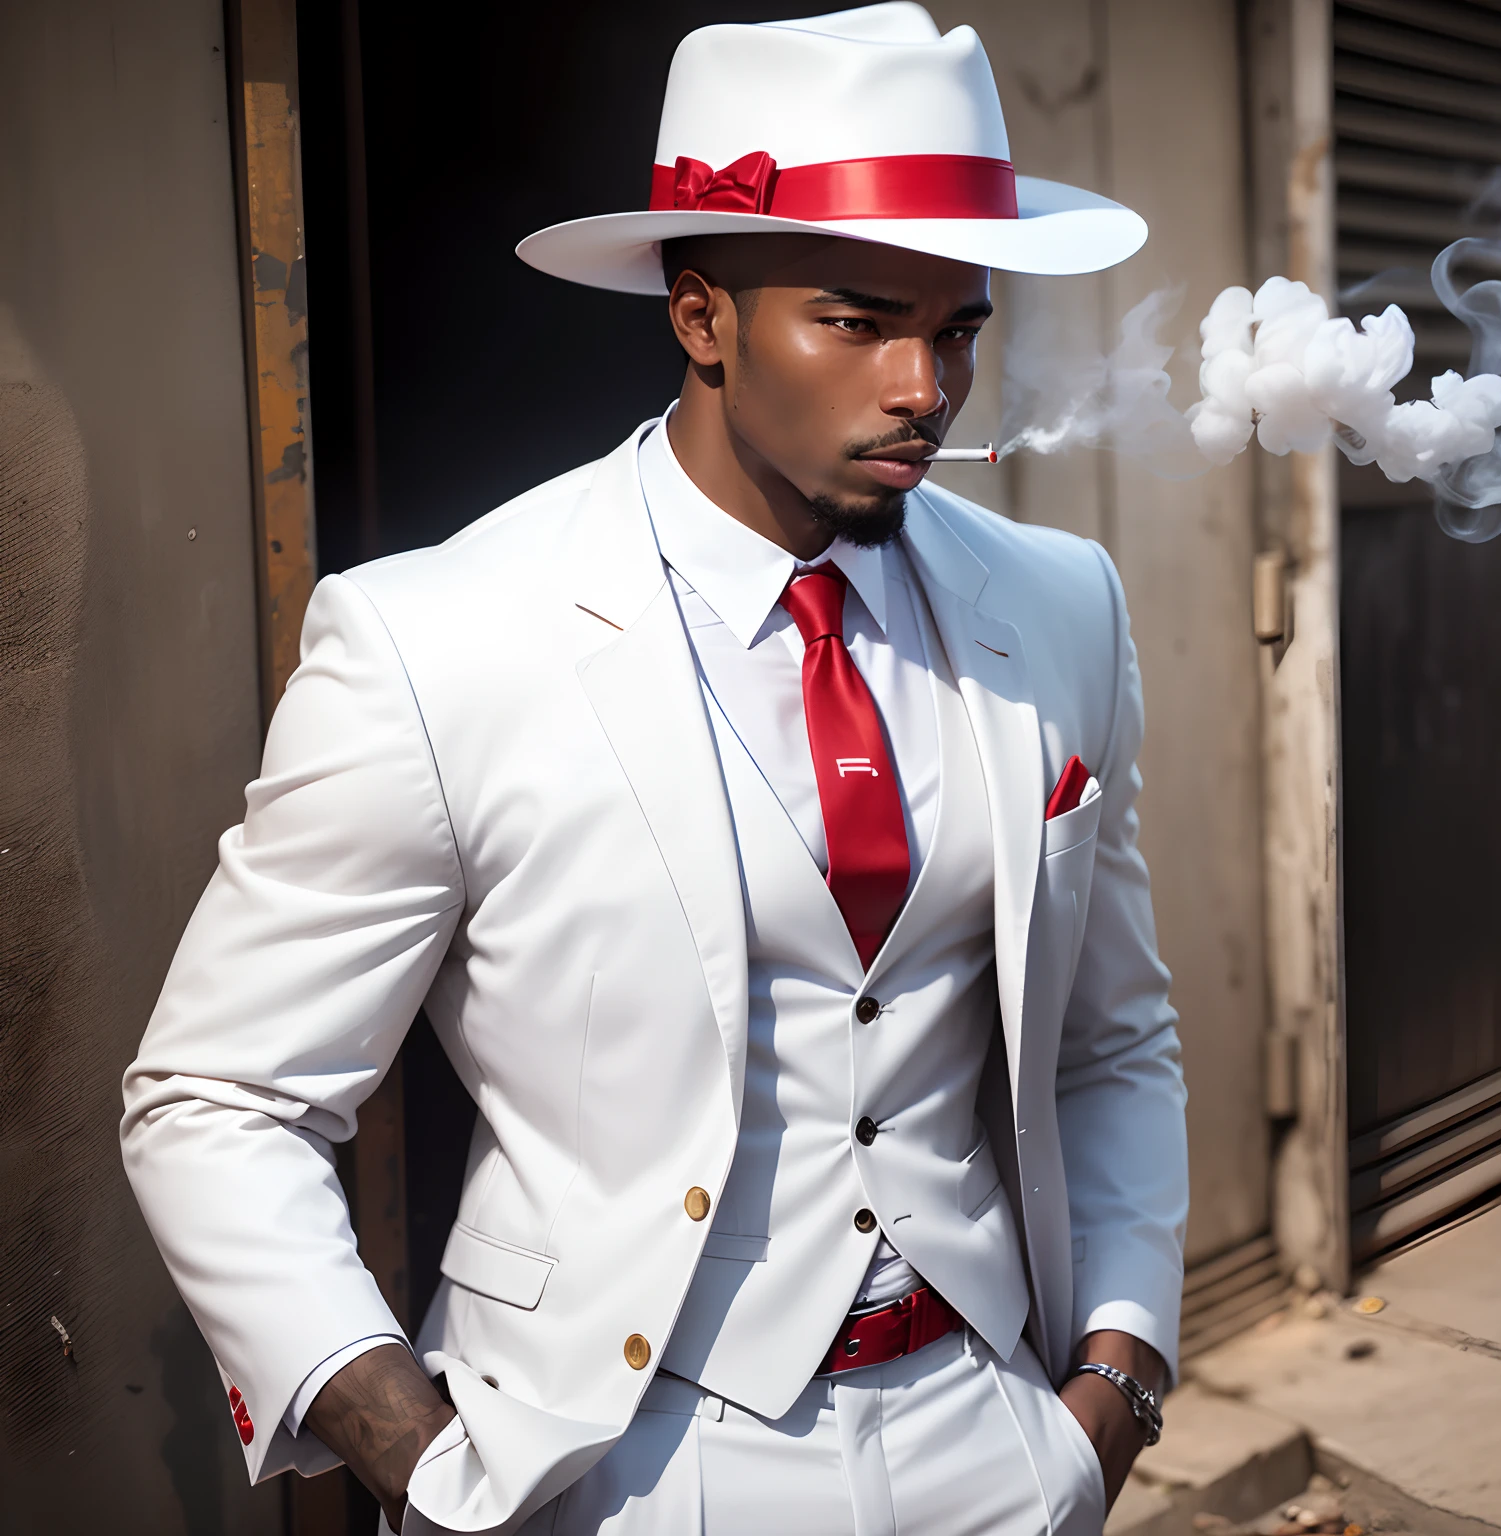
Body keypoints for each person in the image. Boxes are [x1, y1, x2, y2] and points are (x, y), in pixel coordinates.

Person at [121, 6, 1187, 1533]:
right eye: (854, 318)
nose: (923, 386)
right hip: (622, 1462)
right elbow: (216, 1097)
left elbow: (1114, 1037)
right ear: (700, 317)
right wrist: (419, 1459)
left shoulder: (1061, 604)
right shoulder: (438, 639)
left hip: (1000, 1442)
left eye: (957, 328)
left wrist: (1117, 1381)